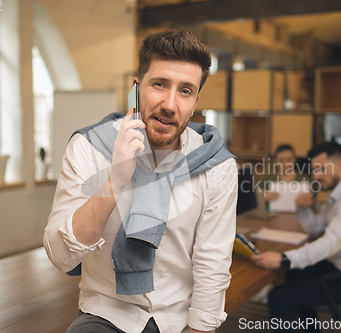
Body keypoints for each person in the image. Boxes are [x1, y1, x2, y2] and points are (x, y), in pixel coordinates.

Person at [44, 29, 238, 333]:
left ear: (196, 100)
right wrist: (115, 179)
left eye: (185, 91)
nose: (170, 104)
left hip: (178, 317)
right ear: (136, 88)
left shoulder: (217, 165)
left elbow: (212, 263)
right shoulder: (88, 147)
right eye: (159, 84)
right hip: (105, 312)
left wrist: (200, 328)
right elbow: (60, 256)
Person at [251, 141, 341, 332]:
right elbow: (315, 228)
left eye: (322, 169)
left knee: (278, 296)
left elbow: (330, 244)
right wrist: (302, 208)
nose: (316, 176)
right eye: (314, 170)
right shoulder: (340, 195)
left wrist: (285, 258)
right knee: (293, 274)